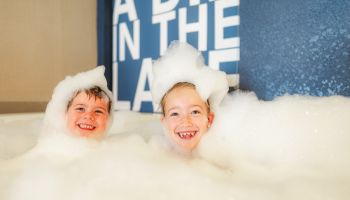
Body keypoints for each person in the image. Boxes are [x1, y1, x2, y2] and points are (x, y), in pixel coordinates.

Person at [151, 41, 229, 154]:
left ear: (209, 119)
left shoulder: (222, 156)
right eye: (175, 113)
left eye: (194, 112)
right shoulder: (156, 153)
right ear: (164, 122)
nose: (185, 122)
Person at [40, 66, 114, 140]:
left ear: (108, 119)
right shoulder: (52, 145)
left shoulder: (114, 147)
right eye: (80, 109)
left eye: (98, 111)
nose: (88, 116)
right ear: (65, 114)